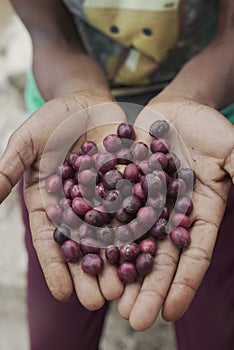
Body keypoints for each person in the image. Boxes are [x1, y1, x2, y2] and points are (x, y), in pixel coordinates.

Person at [0, 0, 233, 349]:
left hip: (203, 143)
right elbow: (51, 35)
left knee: (213, 334)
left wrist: (193, 96)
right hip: (66, 131)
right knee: (55, 335)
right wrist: (79, 94)